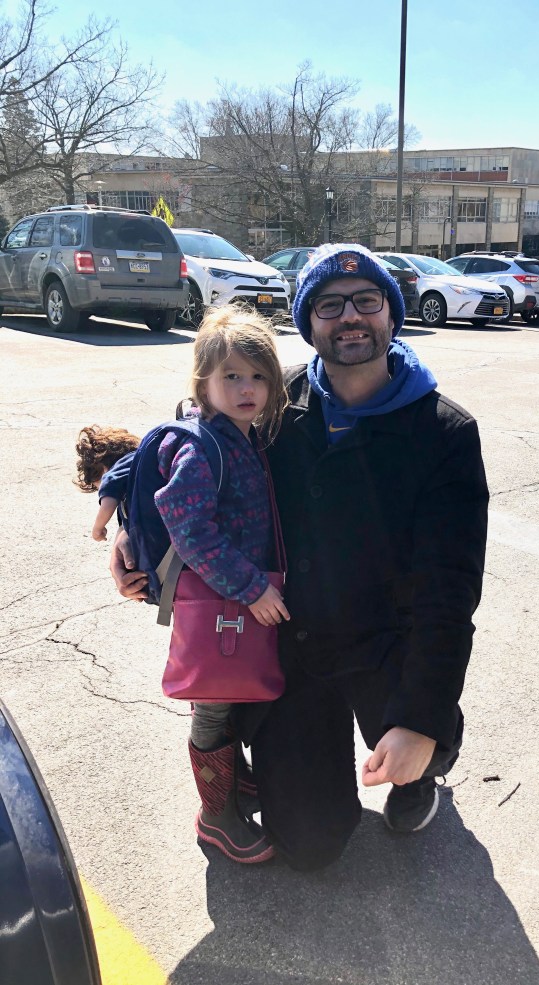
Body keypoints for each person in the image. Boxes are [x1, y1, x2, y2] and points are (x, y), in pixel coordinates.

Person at [113, 244, 489, 872]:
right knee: (311, 846)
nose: (349, 317)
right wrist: (131, 526)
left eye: (366, 301)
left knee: (418, 736)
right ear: (308, 323)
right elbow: (180, 438)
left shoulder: (444, 431)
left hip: (385, 643)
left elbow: (450, 593)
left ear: (391, 315)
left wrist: (421, 721)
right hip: (292, 640)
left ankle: (420, 771)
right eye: (328, 305)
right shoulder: (273, 401)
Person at [154, 307, 289, 864]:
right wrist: (252, 587)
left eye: (258, 376)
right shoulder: (203, 446)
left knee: (227, 700)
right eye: (231, 376)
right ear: (203, 385)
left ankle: (233, 779)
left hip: (234, 599)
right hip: (221, 601)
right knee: (212, 704)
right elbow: (189, 531)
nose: (247, 388)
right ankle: (216, 816)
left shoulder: (243, 436)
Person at [75, 425, 140, 541]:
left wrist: (97, 528)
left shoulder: (115, 473)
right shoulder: (139, 457)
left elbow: (109, 500)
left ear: (103, 469)